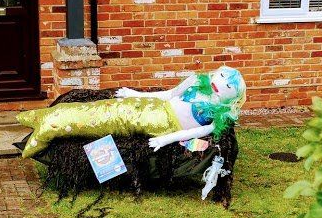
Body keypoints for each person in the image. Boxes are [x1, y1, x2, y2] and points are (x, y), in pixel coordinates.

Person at [17, 66, 246, 159]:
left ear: (232, 96)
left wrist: (164, 139)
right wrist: (133, 93)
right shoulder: (196, 84)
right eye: (222, 78)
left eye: (228, 86)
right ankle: (48, 116)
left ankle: (50, 127)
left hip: (161, 124)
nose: (221, 84)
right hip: (153, 107)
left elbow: (191, 134)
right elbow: (168, 94)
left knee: (113, 119)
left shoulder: (218, 118)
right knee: (109, 107)